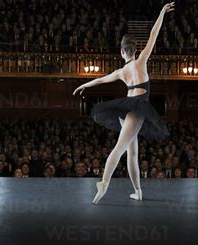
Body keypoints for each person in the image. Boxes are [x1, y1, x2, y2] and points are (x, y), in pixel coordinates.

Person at [73, 2, 174, 204]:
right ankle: (104, 183)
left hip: (124, 108)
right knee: (120, 148)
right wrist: (162, 12)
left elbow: (100, 79)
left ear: (121, 52)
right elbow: (154, 34)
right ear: (136, 50)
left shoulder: (121, 72)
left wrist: (84, 85)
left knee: (132, 151)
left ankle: (138, 191)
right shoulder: (142, 61)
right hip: (136, 109)